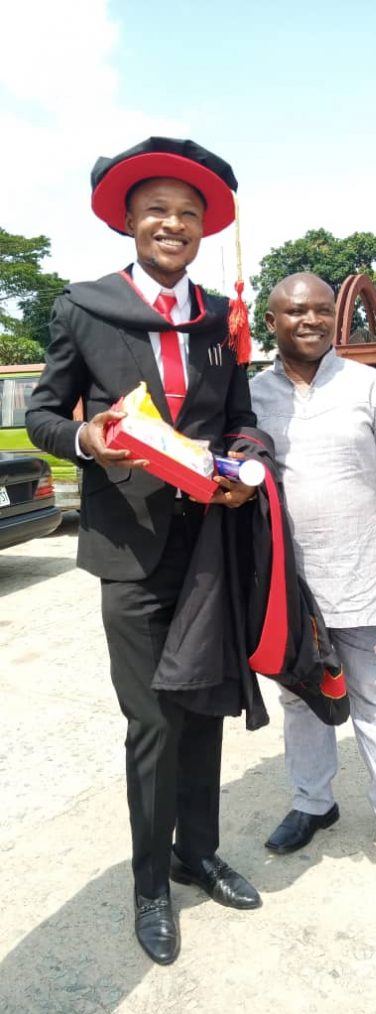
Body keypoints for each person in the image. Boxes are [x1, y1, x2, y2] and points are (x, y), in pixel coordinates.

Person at [26, 137, 271, 967]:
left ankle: (196, 853)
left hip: (209, 540)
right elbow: (46, 414)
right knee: (153, 721)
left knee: (203, 704)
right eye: (157, 210)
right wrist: (88, 438)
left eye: (188, 213)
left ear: (203, 228)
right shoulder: (83, 307)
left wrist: (249, 463)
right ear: (129, 220)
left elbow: (240, 417)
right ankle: (150, 884)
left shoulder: (215, 317)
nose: (173, 223)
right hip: (128, 548)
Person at [250, 272, 376, 890]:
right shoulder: (252, 396)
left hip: (365, 581)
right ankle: (312, 804)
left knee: (375, 704)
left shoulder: (369, 387)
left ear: (336, 317)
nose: (312, 320)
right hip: (291, 591)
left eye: (324, 311)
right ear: (270, 321)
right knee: (301, 702)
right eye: (296, 311)